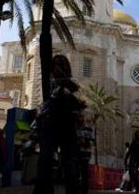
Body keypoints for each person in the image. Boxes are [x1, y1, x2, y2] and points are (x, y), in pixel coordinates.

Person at [33, 55, 86, 194]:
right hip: (50, 124)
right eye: (54, 64)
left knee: (69, 162)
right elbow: (46, 103)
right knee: (45, 160)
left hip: (67, 125)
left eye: (60, 65)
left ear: (65, 67)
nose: (57, 68)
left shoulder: (71, 83)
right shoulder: (50, 84)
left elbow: (80, 104)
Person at [76, 110, 95, 194]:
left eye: (82, 117)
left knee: (84, 173)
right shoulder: (74, 129)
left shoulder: (88, 130)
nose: (81, 119)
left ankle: (84, 190)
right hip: (75, 154)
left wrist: (85, 142)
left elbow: (92, 142)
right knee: (75, 173)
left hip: (85, 154)